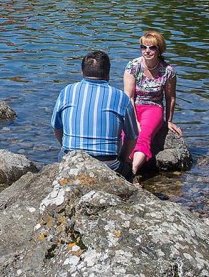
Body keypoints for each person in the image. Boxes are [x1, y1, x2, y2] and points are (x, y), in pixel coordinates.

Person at [52, 50, 138, 180]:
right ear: (108, 73)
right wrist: (124, 158)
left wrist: (66, 148)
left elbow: (56, 127)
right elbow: (132, 136)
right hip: (109, 165)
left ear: (82, 72)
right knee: (129, 172)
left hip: (71, 161)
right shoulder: (122, 98)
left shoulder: (67, 91)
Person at [122, 32, 181, 180]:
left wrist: (168, 120)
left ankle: (133, 172)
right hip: (133, 106)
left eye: (152, 47)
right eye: (143, 47)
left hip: (153, 107)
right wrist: (134, 121)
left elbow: (170, 97)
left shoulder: (168, 71)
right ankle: (123, 164)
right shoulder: (133, 66)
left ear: (159, 49)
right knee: (125, 134)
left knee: (143, 136)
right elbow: (128, 97)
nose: (147, 51)